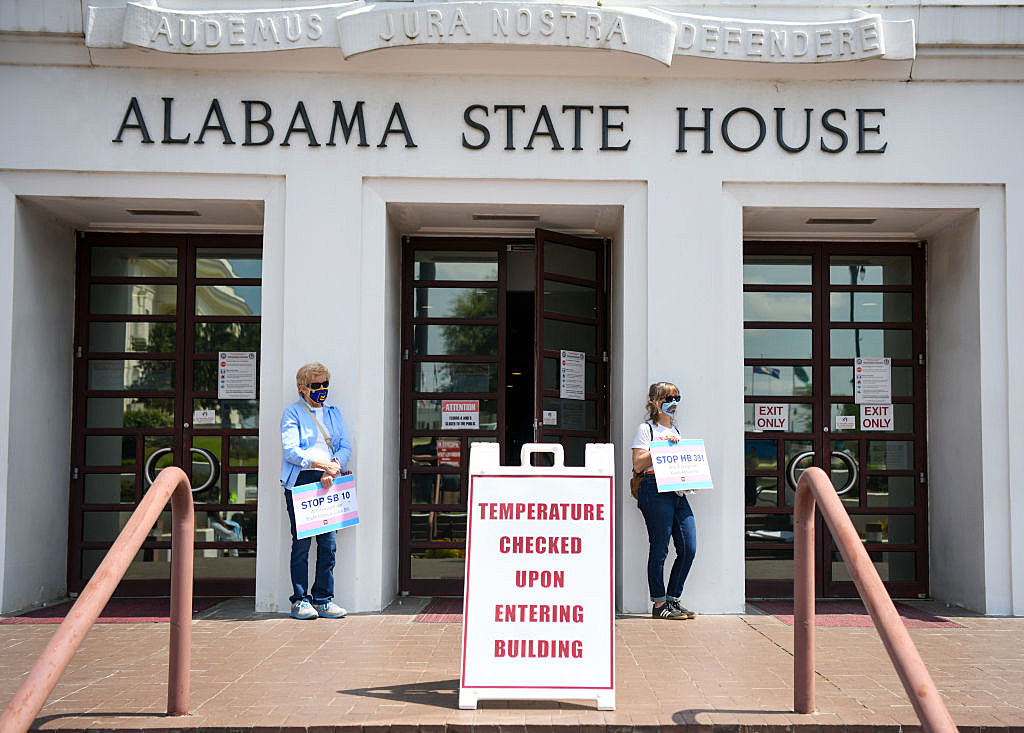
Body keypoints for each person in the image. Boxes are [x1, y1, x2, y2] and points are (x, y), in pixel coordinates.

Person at [280, 361, 352, 620]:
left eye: (325, 384)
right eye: (315, 385)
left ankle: (323, 598)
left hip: (329, 480)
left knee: (328, 543)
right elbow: (291, 451)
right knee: (301, 543)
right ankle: (300, 600)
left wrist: (333, 468)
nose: (321, 389)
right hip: (302, 480)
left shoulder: (334, 412)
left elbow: (345, 446)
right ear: (302, 388)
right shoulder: (292, 413)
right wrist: (323, 465)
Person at [631, 381, 698, 620]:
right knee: (659, 548)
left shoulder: (677, 430)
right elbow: (638, 463)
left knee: (689, 547)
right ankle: (659, 604)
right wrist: (662, 446)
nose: (673, 403)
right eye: (668, 398)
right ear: (655, 401)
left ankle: (673, 599)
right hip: (654, 489)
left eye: (677, 398)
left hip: (677, 491)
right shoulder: (646, 429)